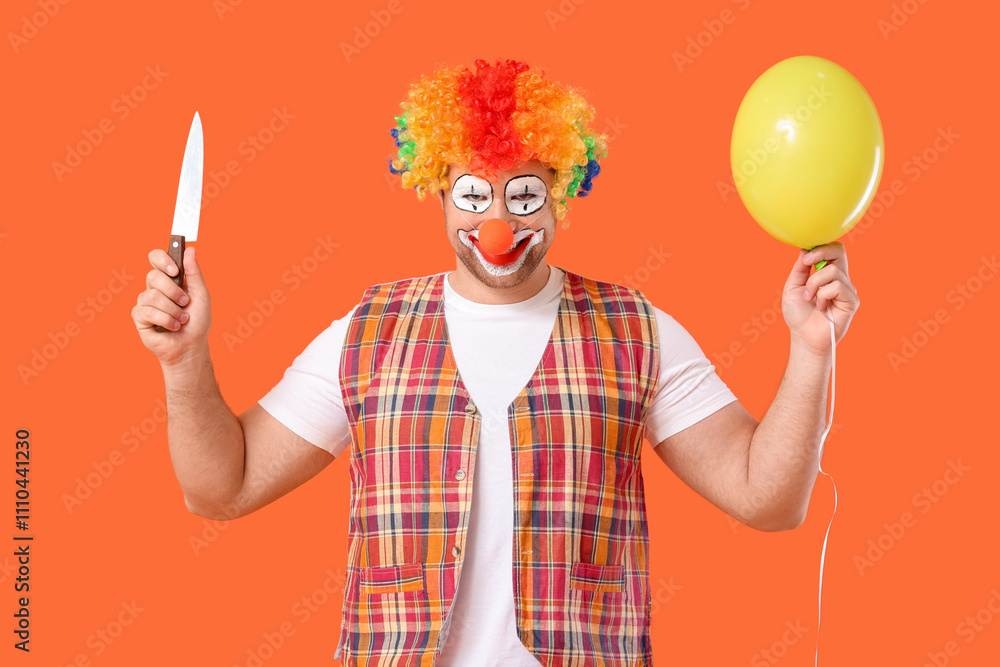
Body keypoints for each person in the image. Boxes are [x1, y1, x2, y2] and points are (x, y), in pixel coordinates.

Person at [132, 58, 860, 666]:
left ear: (562, 192)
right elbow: (219, 487)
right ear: (440, 191)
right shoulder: (369, 333)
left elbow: (769, 499)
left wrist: (810, 351)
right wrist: (183, 358)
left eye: (524, 195)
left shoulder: (637, 332)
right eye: (476, 195)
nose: (499, 226)